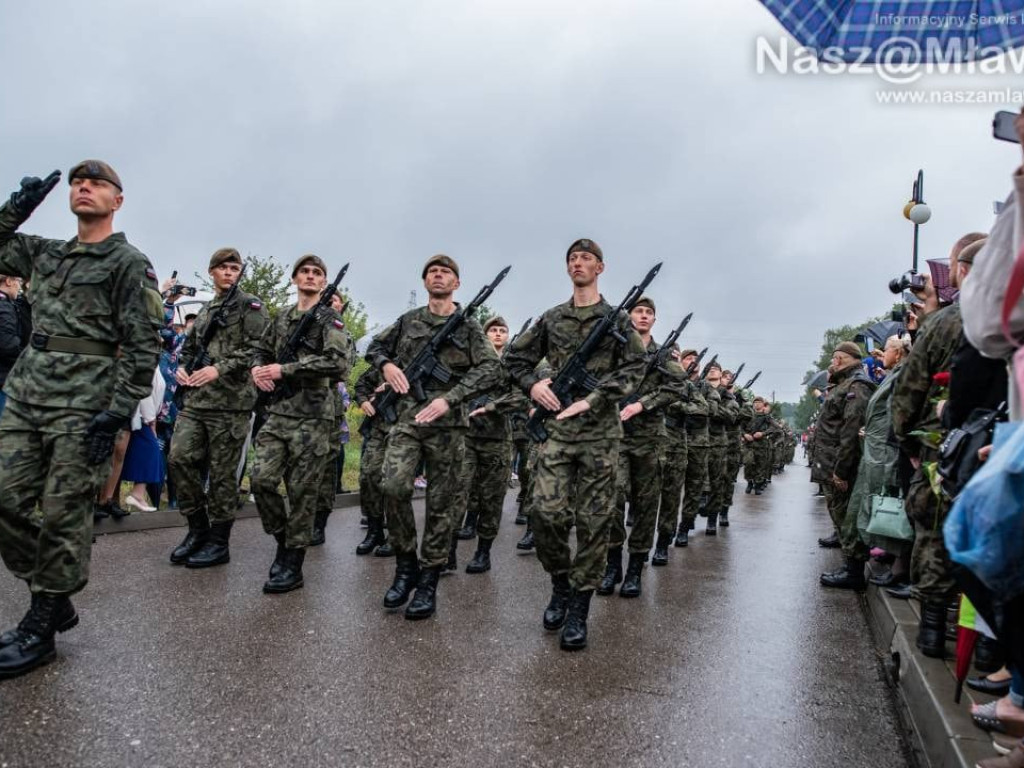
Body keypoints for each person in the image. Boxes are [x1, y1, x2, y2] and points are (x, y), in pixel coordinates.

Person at [0, 161, 164, 679]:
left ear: (118, 200)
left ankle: (42, 624)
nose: (83, 187)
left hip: (85, 401)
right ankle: (56, 593)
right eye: (77, 182)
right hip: (29, 390)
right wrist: (19, 204)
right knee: (3, 496)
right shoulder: (46, 253)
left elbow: (143, 342)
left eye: (96, 183)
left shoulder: (128, 262)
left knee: (64, 511)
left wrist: (117, 410)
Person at [505, 238, 646, 650]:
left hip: (601, 434)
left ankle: (579, 607)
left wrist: (595, 398)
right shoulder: (553, 318)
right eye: (572, 258)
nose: (578, 263)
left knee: (594, 522)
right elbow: (514, 360)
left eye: (586, 258)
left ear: (600, 268)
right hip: (559, 434)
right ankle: (560, 583)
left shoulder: (617, 320)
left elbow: (636, 366)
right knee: (544, 514)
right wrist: (534, 387)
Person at [367, 255, 501, 619]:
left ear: (457, 283)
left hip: (449, 425)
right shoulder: (409, 321)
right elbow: (374, 348)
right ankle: (405, 565)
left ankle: (427, 581)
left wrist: (451, 397)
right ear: (425, 281)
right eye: (433, 272)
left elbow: (492, 369)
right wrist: (388, 365)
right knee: (393, 487)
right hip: (409, 421)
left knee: (443, 505)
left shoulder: (470, 328)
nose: (439, 276)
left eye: (446, 272)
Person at [892, 233, 983, 655]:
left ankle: (931, 627)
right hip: (998, 444)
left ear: (962, 272)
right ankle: (988, 645)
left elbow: (910, 389)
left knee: (934, 529)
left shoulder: (945, 323)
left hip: (943, 443)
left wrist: (906, 436)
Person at [250, 254, 355, 593]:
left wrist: (286, 370)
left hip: (313, 415)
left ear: (323, 282)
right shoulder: (280, 317)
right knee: (261, 480)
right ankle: (283, 541)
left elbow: (338, 364)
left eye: (317, 273)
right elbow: (260, 351)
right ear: (294, 278)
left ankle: (293, 563)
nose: (310, 276)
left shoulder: (330, 320)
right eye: (305, 271)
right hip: (279, 412)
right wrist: (257, 369)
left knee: (302, 492)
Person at [167, 247, 270, 567]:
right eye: (223, 267)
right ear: (212, 272)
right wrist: (183, 368)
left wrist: (219, 368)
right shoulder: (209, 308)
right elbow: (191, 347)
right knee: (179, 458)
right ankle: (197, 529)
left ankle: (219, 541)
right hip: (197, 400)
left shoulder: (250, 305)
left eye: (234, 268)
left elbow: (256, 347)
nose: (229, 272)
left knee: (224, 475)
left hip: (231, 403)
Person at [599, 297, 685, 597]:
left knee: (646, 504)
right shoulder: (614, 348)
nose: (644, 316)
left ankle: (635, 567)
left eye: (650, 313)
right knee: (611, 499)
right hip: (615, 436)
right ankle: (612, 566)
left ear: (654, 320)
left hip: (650, 439)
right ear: (629, 316)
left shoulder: (663, 355)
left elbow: (678, 386)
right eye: (639, 311)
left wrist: (642, 405)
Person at [814, 342, 876, 591]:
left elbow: (851, 429)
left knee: (846, 515)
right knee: (839, 513)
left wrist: (841, 469)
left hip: (840, 463)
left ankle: (854, 573)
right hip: (832, 460)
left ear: (840, 359)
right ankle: (850, 566)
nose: (832, 363)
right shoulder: (846, 383)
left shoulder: (857, 385)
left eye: (834, 358)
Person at [459, 315, 517, 573]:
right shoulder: (471, 361)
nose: (497, 334)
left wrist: (490, 407)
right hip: (467, 436)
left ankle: (483, 552)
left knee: (492, 497)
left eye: (502, 330)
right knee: (457, 490)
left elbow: (522, 397)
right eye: (492, 330)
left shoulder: (514, 365)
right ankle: (448, 549)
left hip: (497, 438)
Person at [311, 290, 350, 547]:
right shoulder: (306, 326)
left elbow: (342, 369)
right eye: (327, 299)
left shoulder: (342, 333)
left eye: (334, 300)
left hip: (329, 406)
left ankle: (319, 523)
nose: (330, 303)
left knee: (326, 467)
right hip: (297, 404)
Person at [652, 346, 690, 566]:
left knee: (670, 496)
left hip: (674, 444)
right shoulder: (646, 375)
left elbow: (700, 407)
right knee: (642, 498)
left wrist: (672, 402)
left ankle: (662, 543)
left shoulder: (686, 384)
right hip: (647, 439)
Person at [120, 367, 167, 512]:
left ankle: (136, 494)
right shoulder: (148, 361)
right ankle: (136, 494)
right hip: (141, 416)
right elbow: (144, 391)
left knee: (145, 453)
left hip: (146, 416)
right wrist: (151, 419)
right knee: (151, 451)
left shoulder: (156, 363)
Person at [0, 273, 26, 418]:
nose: (19, 286)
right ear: (9, 281)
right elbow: (8, 345)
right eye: (18, 281)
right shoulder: (4, 308)